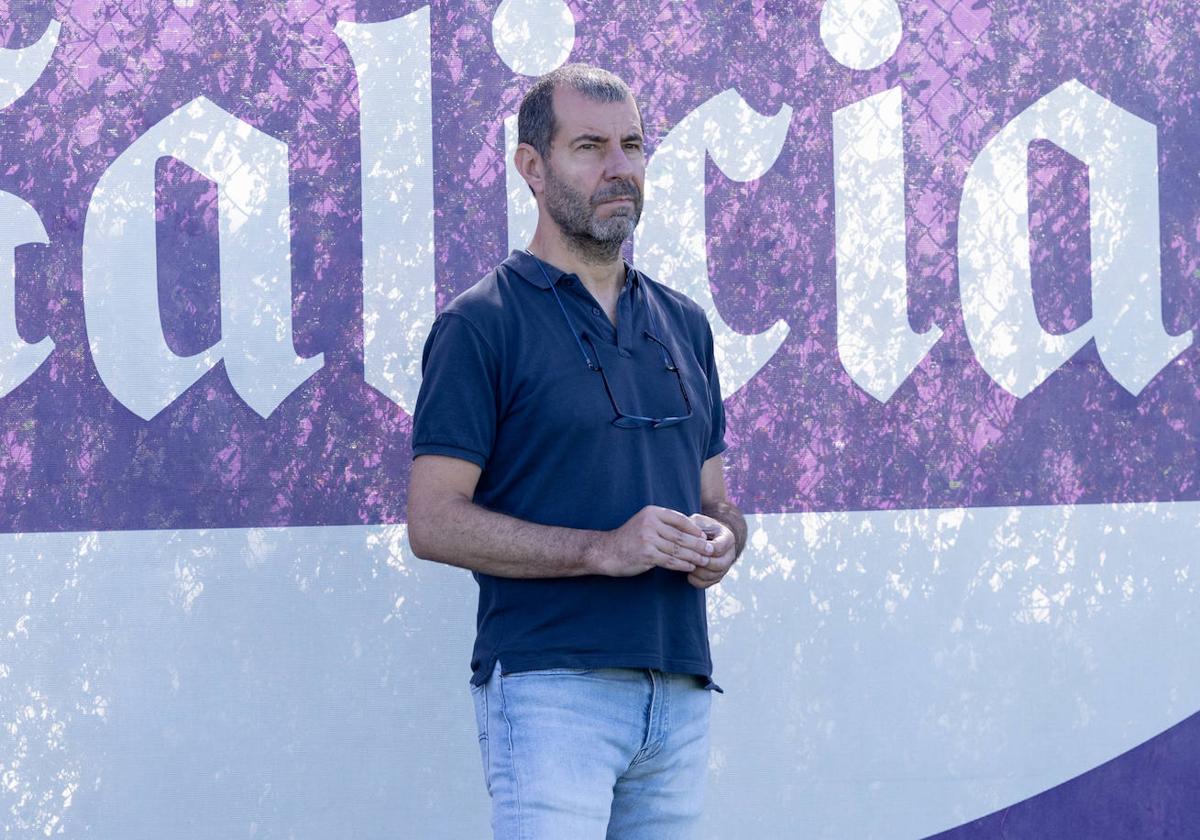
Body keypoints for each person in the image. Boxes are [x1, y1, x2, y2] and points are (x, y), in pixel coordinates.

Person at [407, 63, 748, 839]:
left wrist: (724, 538)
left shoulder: (685, 323)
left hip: (680, 692)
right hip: (549, 689)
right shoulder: (480, 325)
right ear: (532, 167)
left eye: (632, 145)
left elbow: (715, 499)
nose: (619, 168)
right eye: (589, 147)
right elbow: (432, 522)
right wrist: (604, 549)